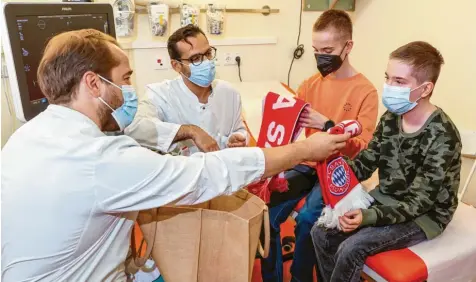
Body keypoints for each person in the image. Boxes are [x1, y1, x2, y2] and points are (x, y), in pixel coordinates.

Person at [0, 29, 350, 282]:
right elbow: (203, 174)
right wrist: (304, 150)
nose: (128, 92)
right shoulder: (98, 158)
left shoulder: (26, 136)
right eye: (124, 79)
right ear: (93, 84)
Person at [311, 41, 462, 282]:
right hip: (387, 199)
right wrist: (333, 167)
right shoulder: (391, 118)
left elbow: (419, 203)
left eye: (399, 82)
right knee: (321, 233)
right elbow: (367, 161)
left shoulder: (442, 135)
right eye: (388, 78)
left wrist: (367, 216)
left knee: (352, 248)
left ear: (425, 89)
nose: (389, 87)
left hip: (425, 215)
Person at [261, 10, 379, 282]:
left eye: (327, 49)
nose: (320, 57)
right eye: (316, 50)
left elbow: (362, 150)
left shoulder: (365, 92)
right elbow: (291, 132)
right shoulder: (309, 85)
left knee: (307, 221)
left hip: (339, 170)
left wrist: (328, 125)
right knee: (264, 213)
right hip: (308, 163)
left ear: (348, 46)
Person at [125, 25, 247, 155]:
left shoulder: (229, 93)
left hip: (224, 170)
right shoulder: (160, 95)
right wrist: (190, 131)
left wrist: (238, 137)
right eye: (195, 58)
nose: (206, 62)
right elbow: (135, 128)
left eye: (208, 53)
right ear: (176, 66)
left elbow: (239, 129)